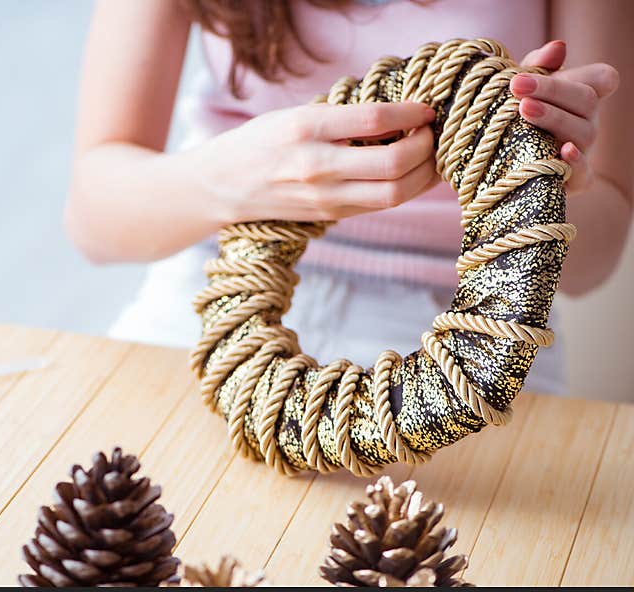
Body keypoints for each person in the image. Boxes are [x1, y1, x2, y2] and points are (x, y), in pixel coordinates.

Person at [65, 0, 631, 395]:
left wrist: (541, 194)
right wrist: (229, 177)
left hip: (481, 326)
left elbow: (591, 267)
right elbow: (94, 218)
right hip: (205, 296)